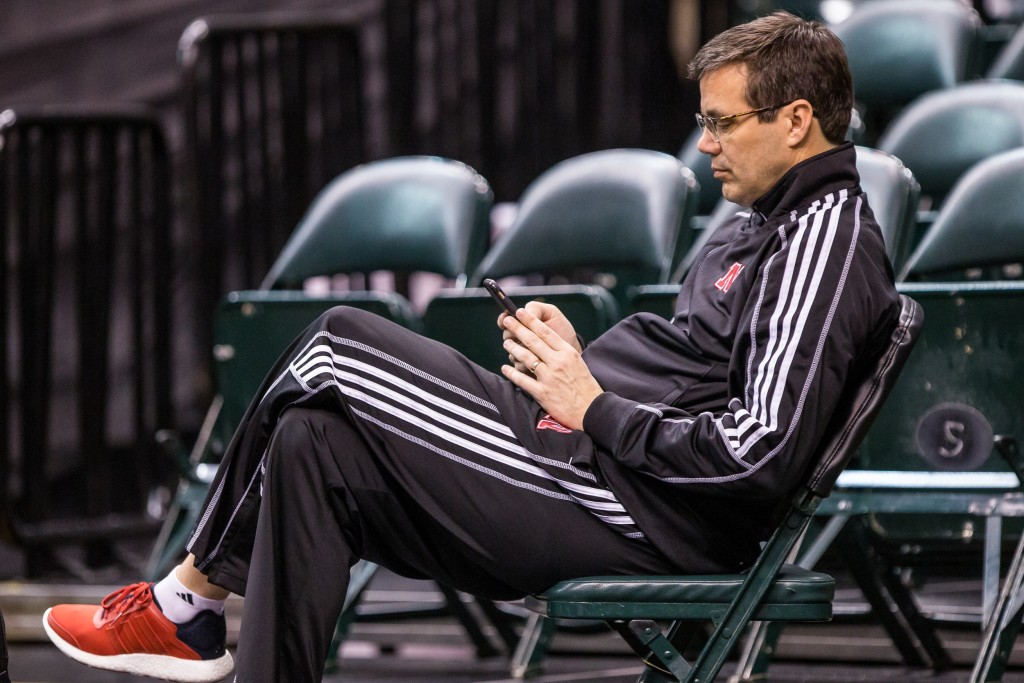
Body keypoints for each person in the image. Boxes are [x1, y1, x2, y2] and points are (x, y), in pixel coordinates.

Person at [42, 11, 900, 682]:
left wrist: (593, 406)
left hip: (626, 505)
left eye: (723, 122)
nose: (705, 142)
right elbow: (694, 372)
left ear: (797, 120)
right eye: (702, 121)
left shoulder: (823, 240)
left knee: (337, 342)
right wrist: (584, 362)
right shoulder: (764, 221)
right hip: (588, 462)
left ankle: (186, 603)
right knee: (312, 444)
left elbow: (759, 453)